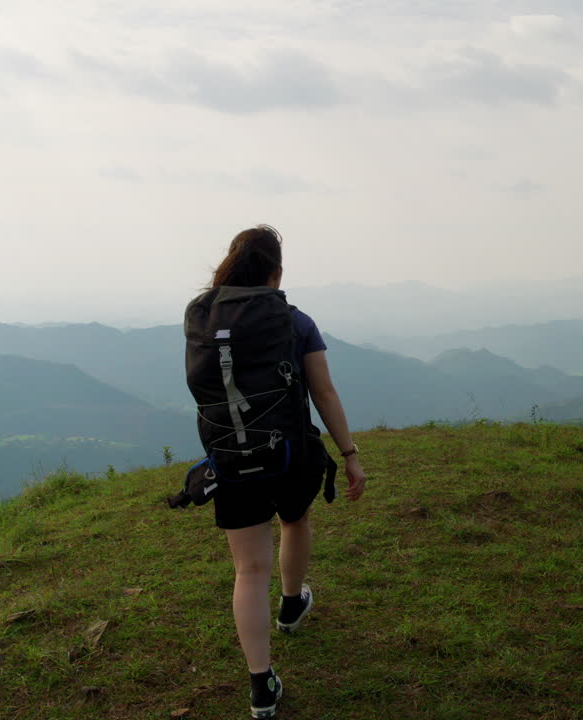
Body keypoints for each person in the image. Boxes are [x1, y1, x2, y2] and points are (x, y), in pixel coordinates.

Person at [204, 225, 367, 719]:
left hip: (231, 457)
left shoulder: (205, 321)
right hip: (291, 453)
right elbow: (325, 393)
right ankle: (292, 604)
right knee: (295, 521)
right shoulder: (296, 323)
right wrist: (350, 453)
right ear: (276, 272)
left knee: (248, 569)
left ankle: (261, 686)